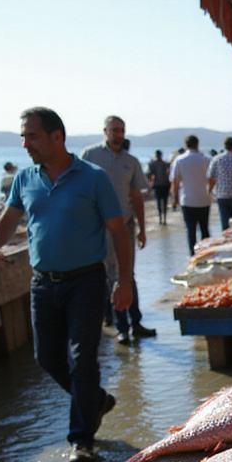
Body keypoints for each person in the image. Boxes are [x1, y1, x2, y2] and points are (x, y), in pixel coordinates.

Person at [0, 107, 130, 462]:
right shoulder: (25, 178)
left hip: (86, 281)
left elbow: (118, 231)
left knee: (83, 359)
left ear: (57, 137)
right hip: (42, 284)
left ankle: (82, 440)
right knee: (47, 358)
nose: (25, 145)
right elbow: (8, 221)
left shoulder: (93, 178)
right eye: (23, 137)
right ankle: (96, 400)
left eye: (32, 137)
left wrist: (124, 281)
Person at [81, 115, 156, 343]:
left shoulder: (131, 162)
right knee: (109, 274)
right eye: (114, 130)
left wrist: (142, 228)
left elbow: (136, 197)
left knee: (127, 273)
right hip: (99, 227)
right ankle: (119, 325)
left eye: (121, 130)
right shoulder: (90, 156)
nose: (118, 134)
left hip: (125, 225)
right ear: (105, 132)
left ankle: (135, 322)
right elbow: (79, 190)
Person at [170, 135, 212, 255]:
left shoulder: (179, 160)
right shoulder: (206, 160)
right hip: (204, 198)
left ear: (185, 145)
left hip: (187, 199)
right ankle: (206, 254)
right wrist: (210, 193)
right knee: (204, 229)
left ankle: (193, 255)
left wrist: (175, 199)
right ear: (197, 144)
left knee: (190, 230)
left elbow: (175, 181)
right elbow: (212, 179)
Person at [147, 150, 171, 225]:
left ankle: (160, 218)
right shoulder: (166, 164)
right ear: (161, 155)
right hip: (165, 185)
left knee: (158, 201)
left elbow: (150, 175)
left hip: (157, 185)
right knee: (165, 202)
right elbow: (169, 174)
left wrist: (149, 183)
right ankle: (164, 218)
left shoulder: (152, 164)